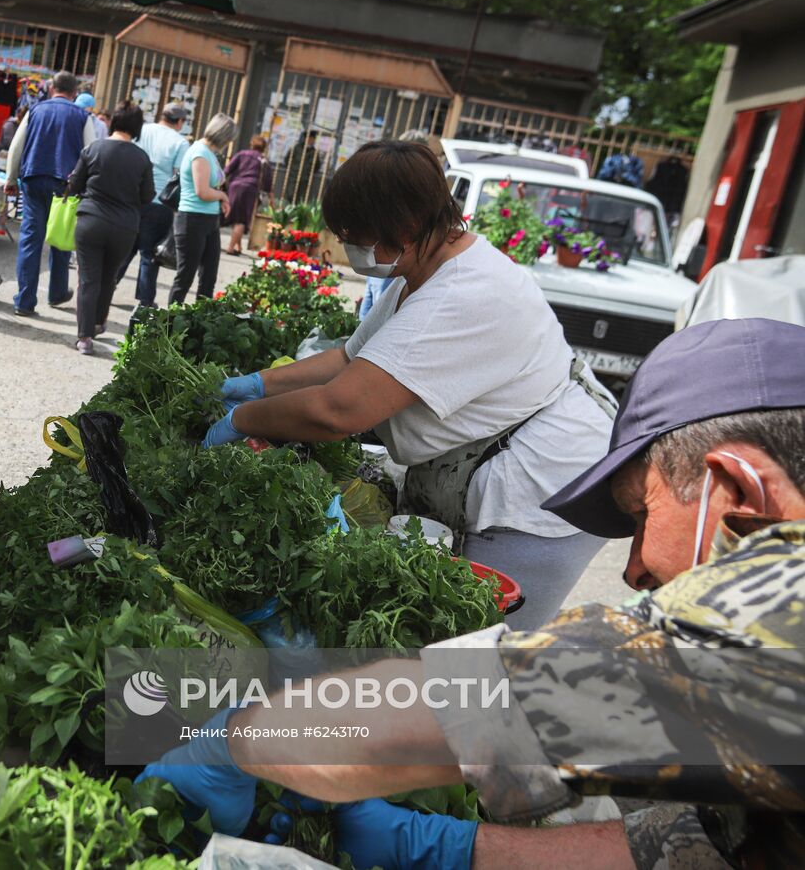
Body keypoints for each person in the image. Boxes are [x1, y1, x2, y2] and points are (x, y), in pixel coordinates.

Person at [143, 317, 805, 869]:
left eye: (641, 514)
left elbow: (464, 710)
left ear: (736, 489)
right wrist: (456, 846)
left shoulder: (783, 607)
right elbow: (705, 844)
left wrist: (237, 738)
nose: (633, 568)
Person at [204, 141, 617, 626]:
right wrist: (257, 384)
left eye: (353, 235)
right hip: (504, 463)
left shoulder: (459, 293)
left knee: (478, 654)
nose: (346, 246)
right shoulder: (420, 269)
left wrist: (241, 418)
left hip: (539, 494)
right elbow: (347, 360)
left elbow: (339, 410)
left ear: (399, 227)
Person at [5, 70, 98, 316]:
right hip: (66, 185)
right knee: (61, 233)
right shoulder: (81, 116)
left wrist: (9, 178)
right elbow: (91, 152)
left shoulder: (35, 110)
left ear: (50, 88)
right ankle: (56, 292)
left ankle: (24, 301)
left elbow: (17, 146)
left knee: (30, 238)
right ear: (75, 92)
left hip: (34, 178)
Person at [64, 103, 154, 354]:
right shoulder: (142, 158)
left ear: (114, 121)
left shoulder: (93, 149)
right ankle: (98, 322)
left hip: (91, 220)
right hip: (125, 226)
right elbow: (147, 196)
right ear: (137, 127)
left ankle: (84, 338)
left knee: (88, 279)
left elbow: (74, 184)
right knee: (108, 277)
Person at [116, 101, 190, 308]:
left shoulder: (142, 130)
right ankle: (145, 300)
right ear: (180, 121)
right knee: (149, 254)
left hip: (134, 197)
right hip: (160, 202)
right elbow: (178, 176)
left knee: (127, 247)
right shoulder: (181, 143)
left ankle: (110, 284)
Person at [358, 129, 432, 317]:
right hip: (388, 249)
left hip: (390, 251)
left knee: (375, 307)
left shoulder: (408, 177)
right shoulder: (400, 176)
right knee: (377, 308)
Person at [169, 113, 235, 307]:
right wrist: (222, 196)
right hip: (192, 219)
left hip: (209, 220)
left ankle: (200, 322)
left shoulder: (209, 153)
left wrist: (219, 196)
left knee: (209, 276)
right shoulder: (199, 152)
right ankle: (169, 323)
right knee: (185, 276)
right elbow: (202, 192)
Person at [222, 134, 274, 255]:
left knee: (236, 216)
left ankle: (238, 247)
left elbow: (227, 170)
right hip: (250, 190)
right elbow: (268, 183)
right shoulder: (264, 161)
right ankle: (230, 248)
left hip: (235, 187)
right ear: (264, 148)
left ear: (251, 144)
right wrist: (271, 200)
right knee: (242, 220)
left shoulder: (242, 154)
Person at [284, 129, 325, 202]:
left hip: (305, 180)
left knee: (301, 199)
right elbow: (287, 159)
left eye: (313, 139)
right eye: (310, 139)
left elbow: (317, 166)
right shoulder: (297, 148)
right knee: (290, 195)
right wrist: (292, 170)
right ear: (306, 139)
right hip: (293, 176)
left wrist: (309, 173)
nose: (311, 141)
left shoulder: (314, 153)